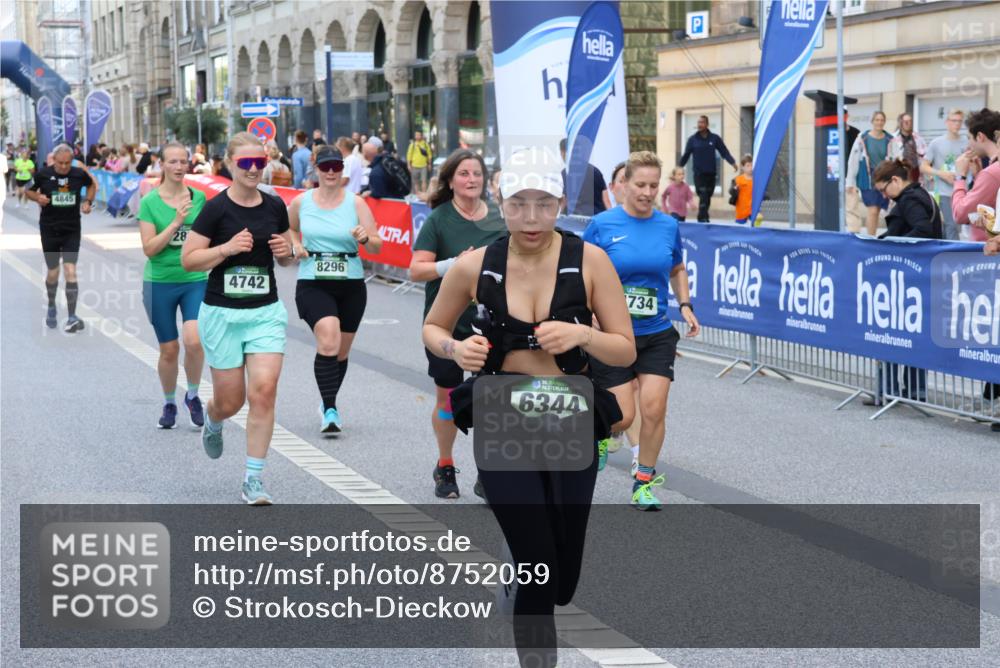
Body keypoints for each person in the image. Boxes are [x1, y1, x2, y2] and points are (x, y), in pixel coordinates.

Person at [423, 146, 634, 668]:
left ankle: (522, 573)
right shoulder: (476, 264)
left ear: (561, 203)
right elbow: (432, 328)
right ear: (501, 199)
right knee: (539, 567)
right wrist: (456, 348)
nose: (532, 217)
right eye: (520, 203)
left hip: (570, 413)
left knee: (561, 578)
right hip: (502, 411)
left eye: (544, 203)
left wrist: (582, 332)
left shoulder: (590, 261)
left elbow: (625, 348)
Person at [181, 132, 297, 505]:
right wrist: (227, 248)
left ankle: (253, 479)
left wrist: (287, 250)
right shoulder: (216, 209)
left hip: (264, 312)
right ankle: (214, 419)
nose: (253, 169)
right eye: (245, 163)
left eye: (259, 162)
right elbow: (190, 259)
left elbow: (286, 252)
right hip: (223, 314)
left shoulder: (275, 205)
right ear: (230, 164)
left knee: (263, 392)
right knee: (230, 402)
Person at [583, 150, 700, 508]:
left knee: (653, 408)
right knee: (623, 415)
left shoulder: (668, 225)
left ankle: (644, 481)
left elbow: (677, 268)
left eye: (653, 185)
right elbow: (582, 273)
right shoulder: (603, 225)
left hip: (656, 332)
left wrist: (685, 305)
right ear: (624, 185)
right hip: (614, 336)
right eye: (641, 185)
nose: (648, 192)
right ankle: (603, 432)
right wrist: (590, 317)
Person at [409, 149, 507, 499]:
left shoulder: (499, 218)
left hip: (492, 325)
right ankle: (446, 465)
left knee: (491, 401)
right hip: (446, 325)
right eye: (464, 174)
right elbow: (416, 269)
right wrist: (454, 265)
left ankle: (488, 472)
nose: (472, 180)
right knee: (449, 399)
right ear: (451, 180)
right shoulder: (439, 220)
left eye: (477, 174)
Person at [287, 146, 382, 433]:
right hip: (313, 281)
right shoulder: (301, 202)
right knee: (328, 340)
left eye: (336, 167)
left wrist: (366, 238)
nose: (331, 172)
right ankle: (330, 409)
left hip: (351, 284)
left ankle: (328, 401)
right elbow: (289, 229)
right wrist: (296, 244)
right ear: (315, 168)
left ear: (343, 169)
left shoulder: (356, 204)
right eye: (325, 167)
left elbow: (377, 244)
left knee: (339, 353)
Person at [138, 142, 209, 429]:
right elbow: (149, 248)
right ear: (162, 165)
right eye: (173, 162)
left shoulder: (200, 198)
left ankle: (192, 395)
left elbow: (207, 238)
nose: (179, 167)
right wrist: (177, 222)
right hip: (159, 283)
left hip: (194, 280)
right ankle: (169, 402)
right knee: (169, 349)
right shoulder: (149, 203)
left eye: (183, 162)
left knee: (194, 340)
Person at [865, 158, 942, 406]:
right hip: (915, 277)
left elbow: (921, 231)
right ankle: (908, 390)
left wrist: (891, 245)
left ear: (895, 181)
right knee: (909, 333)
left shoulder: (910, 200)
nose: (884, 196)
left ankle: (890, 390)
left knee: (891, 332)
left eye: (883, 190)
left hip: (907, 277)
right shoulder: (919, 195)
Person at [24, 144, 97, 332]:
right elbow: (29, 191)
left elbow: (91, 185)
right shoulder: (43, 174)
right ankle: (51, 305)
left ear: (71, 160)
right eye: (60, 163)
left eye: (67, 163)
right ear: (54, 160)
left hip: (72, 229)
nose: (64, 167)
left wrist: (88, 201)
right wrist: (37, 198)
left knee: (70, 270)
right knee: (53, 272)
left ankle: (72, 315)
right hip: (49, 229)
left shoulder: (78, 174)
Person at [678, 115, 737, 222]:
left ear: (707, 124)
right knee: (704, 196)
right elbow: (686, 155)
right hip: (699, 175)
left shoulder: (714, 138)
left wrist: (732, 162)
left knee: (707, 198)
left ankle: (703, 218)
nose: (699, 124)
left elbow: (724, 151)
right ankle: (703, 220)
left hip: (711, 174)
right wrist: (679, 167)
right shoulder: (692, 140)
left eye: (702, 122)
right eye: (698, 122)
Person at [921, 109, 967, 241]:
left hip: (962, 191)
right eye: (954, 120)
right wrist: (941, 174)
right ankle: (953, 257)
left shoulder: (967, 142)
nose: (957, 124)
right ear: (947, 122)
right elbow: (923, 166)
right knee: (951, 225)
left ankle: (945, 253)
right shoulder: (936, 143)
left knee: (954, 227)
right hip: (944, 192)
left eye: (959, 121)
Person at [846, 110, 893, 236]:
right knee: (873, 209)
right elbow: (853, 160)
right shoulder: (863, 138)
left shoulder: (890, 139)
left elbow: (896, 159)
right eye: (877, 120)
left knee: (880, 211)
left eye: (882, 120)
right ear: (872, 122)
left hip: (885, 178)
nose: (879, 122)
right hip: (868, 177)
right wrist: (850, 181)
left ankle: (878, 238)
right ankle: (871, 239)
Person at [558, 137, 609, 216]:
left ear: (563, 152)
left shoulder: (564, 174)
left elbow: (564, 200)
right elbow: (606, 199)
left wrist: (556, 218)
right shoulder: (595, 171)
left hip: (573, 222)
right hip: (597, 218)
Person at [888, 112, 927, 184]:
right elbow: (890, 159)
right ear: (901, 123)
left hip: (916, 174)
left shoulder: (918, 138)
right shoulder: (893, 140)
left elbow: (925, 156)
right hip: (901, 174)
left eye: (910, 121)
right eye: (906, 122)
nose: (909, 124)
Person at [732, 154, 753, 224]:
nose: (750, 168)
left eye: (751, 165)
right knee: (740, 233)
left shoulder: (756, 180)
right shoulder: (738, 180)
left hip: (753, 212)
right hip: (741, 213)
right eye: (748, 165)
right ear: (742, 167)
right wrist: (734, 190)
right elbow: (731, 191)